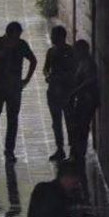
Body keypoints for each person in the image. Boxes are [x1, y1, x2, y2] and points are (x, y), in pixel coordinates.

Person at [0, 22, 37, 164]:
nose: (17, 39)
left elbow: (33, 60)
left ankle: (9, 151)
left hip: (14, 89)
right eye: (16, 36)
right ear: (8, 34)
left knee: (12, 120)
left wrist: (26, 80)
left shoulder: (21, 45)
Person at [43, 26, 76, 161]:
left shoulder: (70, 52)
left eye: (54, 36)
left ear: (61, 37)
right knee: (56, 122)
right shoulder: (51, 52)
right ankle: (60, 149)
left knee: (69, 121)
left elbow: (74, 71)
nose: (51, 38)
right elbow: (45, 68)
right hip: (53, 92)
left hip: (67, 92)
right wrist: (48, 75)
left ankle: (73, 149)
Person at [68, 40, 99, 161]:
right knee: (78, 127)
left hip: (88, 100)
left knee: (82, 127)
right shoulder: (82, 62)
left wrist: (75, 92)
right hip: (83, 100)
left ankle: (79, 154)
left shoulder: (88, 63)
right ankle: (76, 153)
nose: (74, 52)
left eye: (76, 50)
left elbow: (89, 80)